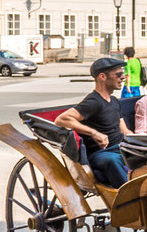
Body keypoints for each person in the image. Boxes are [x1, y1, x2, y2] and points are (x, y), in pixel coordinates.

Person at [56, 56, 131, 187]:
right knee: (111, 160)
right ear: (103, 77)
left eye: (122, 74)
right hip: (101, 154)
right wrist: (94, 133)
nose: (123, 78)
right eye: (118, 75)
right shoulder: (93, 102)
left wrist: (140, 140)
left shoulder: (113, 100)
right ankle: (128, 196)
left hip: (120, 147)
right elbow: (61, 119)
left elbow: (124, 129)